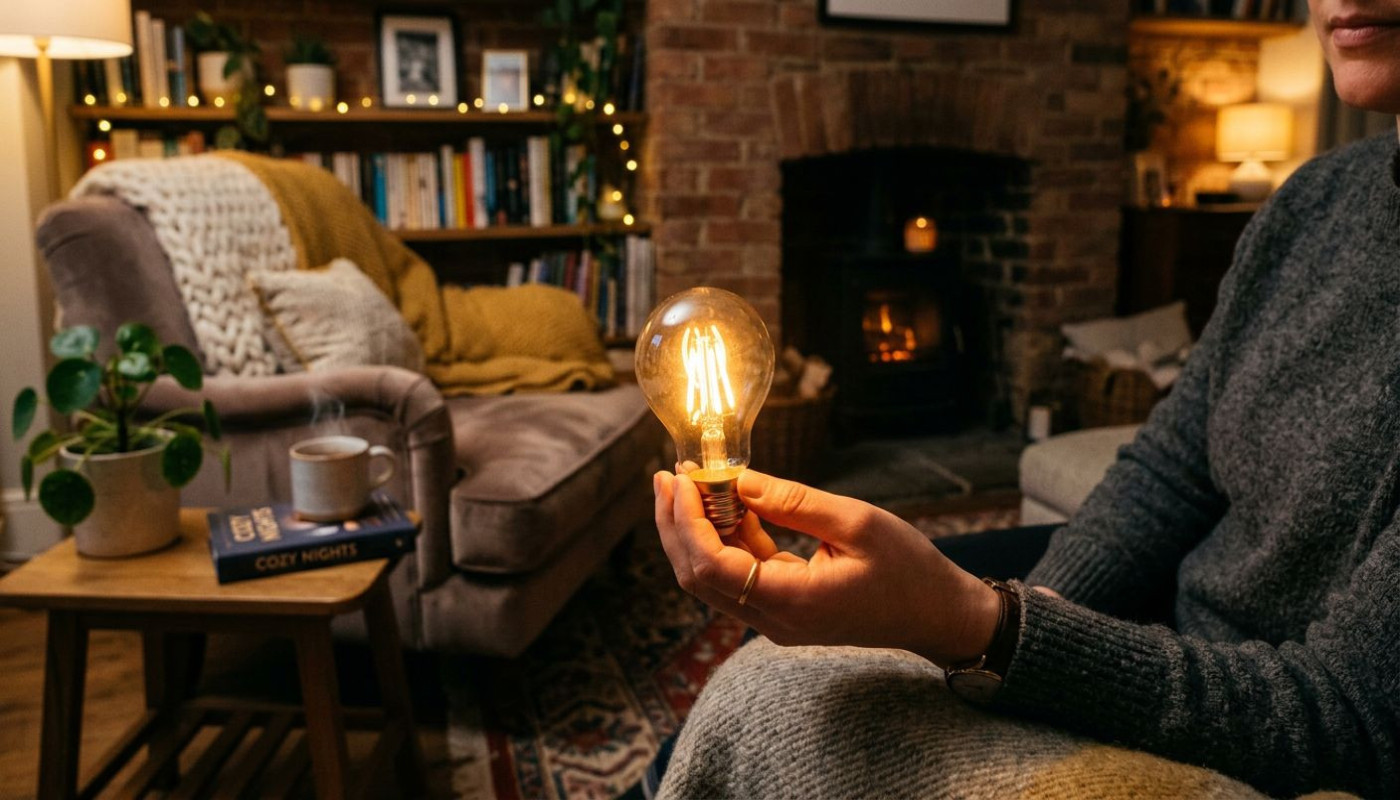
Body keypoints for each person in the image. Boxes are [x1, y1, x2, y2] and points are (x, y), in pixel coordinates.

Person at [650, 1, 1400, 797]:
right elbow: (1171, 472)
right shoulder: (1315, 202)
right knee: (780, 676)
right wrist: (1036, 616)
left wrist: (980, 630)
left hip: (1274, 734)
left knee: (773, 704)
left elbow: (1351, 717)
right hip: (1166, 628)